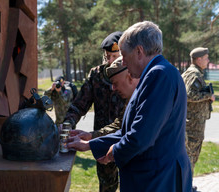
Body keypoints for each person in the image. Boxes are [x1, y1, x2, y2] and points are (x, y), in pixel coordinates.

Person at [68, 21, 192, 192]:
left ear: (139, 51)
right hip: (154, 177)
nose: (123, 63)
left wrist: (113, 153)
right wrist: (92, 144)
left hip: (158, 180)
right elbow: (130, 130)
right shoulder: (157, 73)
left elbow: (141, 136)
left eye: (124, 56)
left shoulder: (158, 74)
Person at [64, 31, 126, 192]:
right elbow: (79, 104)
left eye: (115, 56)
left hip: (126, 139)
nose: (111, 61)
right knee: (107, 186)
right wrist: (68, 123)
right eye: (108, 57)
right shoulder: (96, 75)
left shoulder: (133, 75)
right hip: (102, 141)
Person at [70, 56, 139, 141]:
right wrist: (91, 136)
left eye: (115, 83)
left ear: (130, 77)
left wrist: (112, 150)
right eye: (107, 56)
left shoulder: (145, 98)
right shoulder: (132, 97)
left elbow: (136, 139)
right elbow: (119, 125)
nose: (113, 88)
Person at [181, 47, 215, 187]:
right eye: (206, 58)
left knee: (190, 156)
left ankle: (186, 184)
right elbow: (189, 95)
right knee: (190, 156)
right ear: (199, 59)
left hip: (192, 123)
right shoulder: (194, 74)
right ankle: (185, 186)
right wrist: (208, 96)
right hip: (192, 125)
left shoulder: (193, 73)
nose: (208, 61)